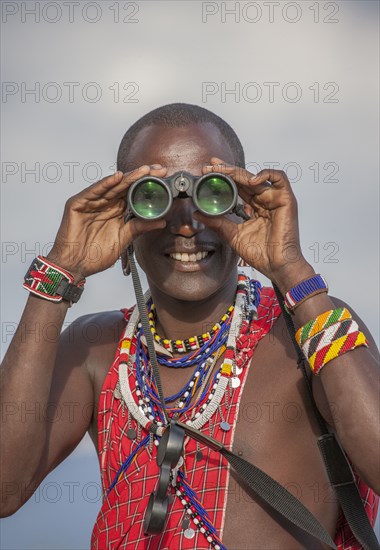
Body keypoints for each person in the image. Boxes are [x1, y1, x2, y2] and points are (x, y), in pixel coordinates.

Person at [1, 103, 379, 550]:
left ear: (244, 206)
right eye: (152, 197)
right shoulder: (94, 347)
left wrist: (293, 272)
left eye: (211, 194)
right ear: (123, 215)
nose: (186, 225)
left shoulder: (308, 329)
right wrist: (60, 272)